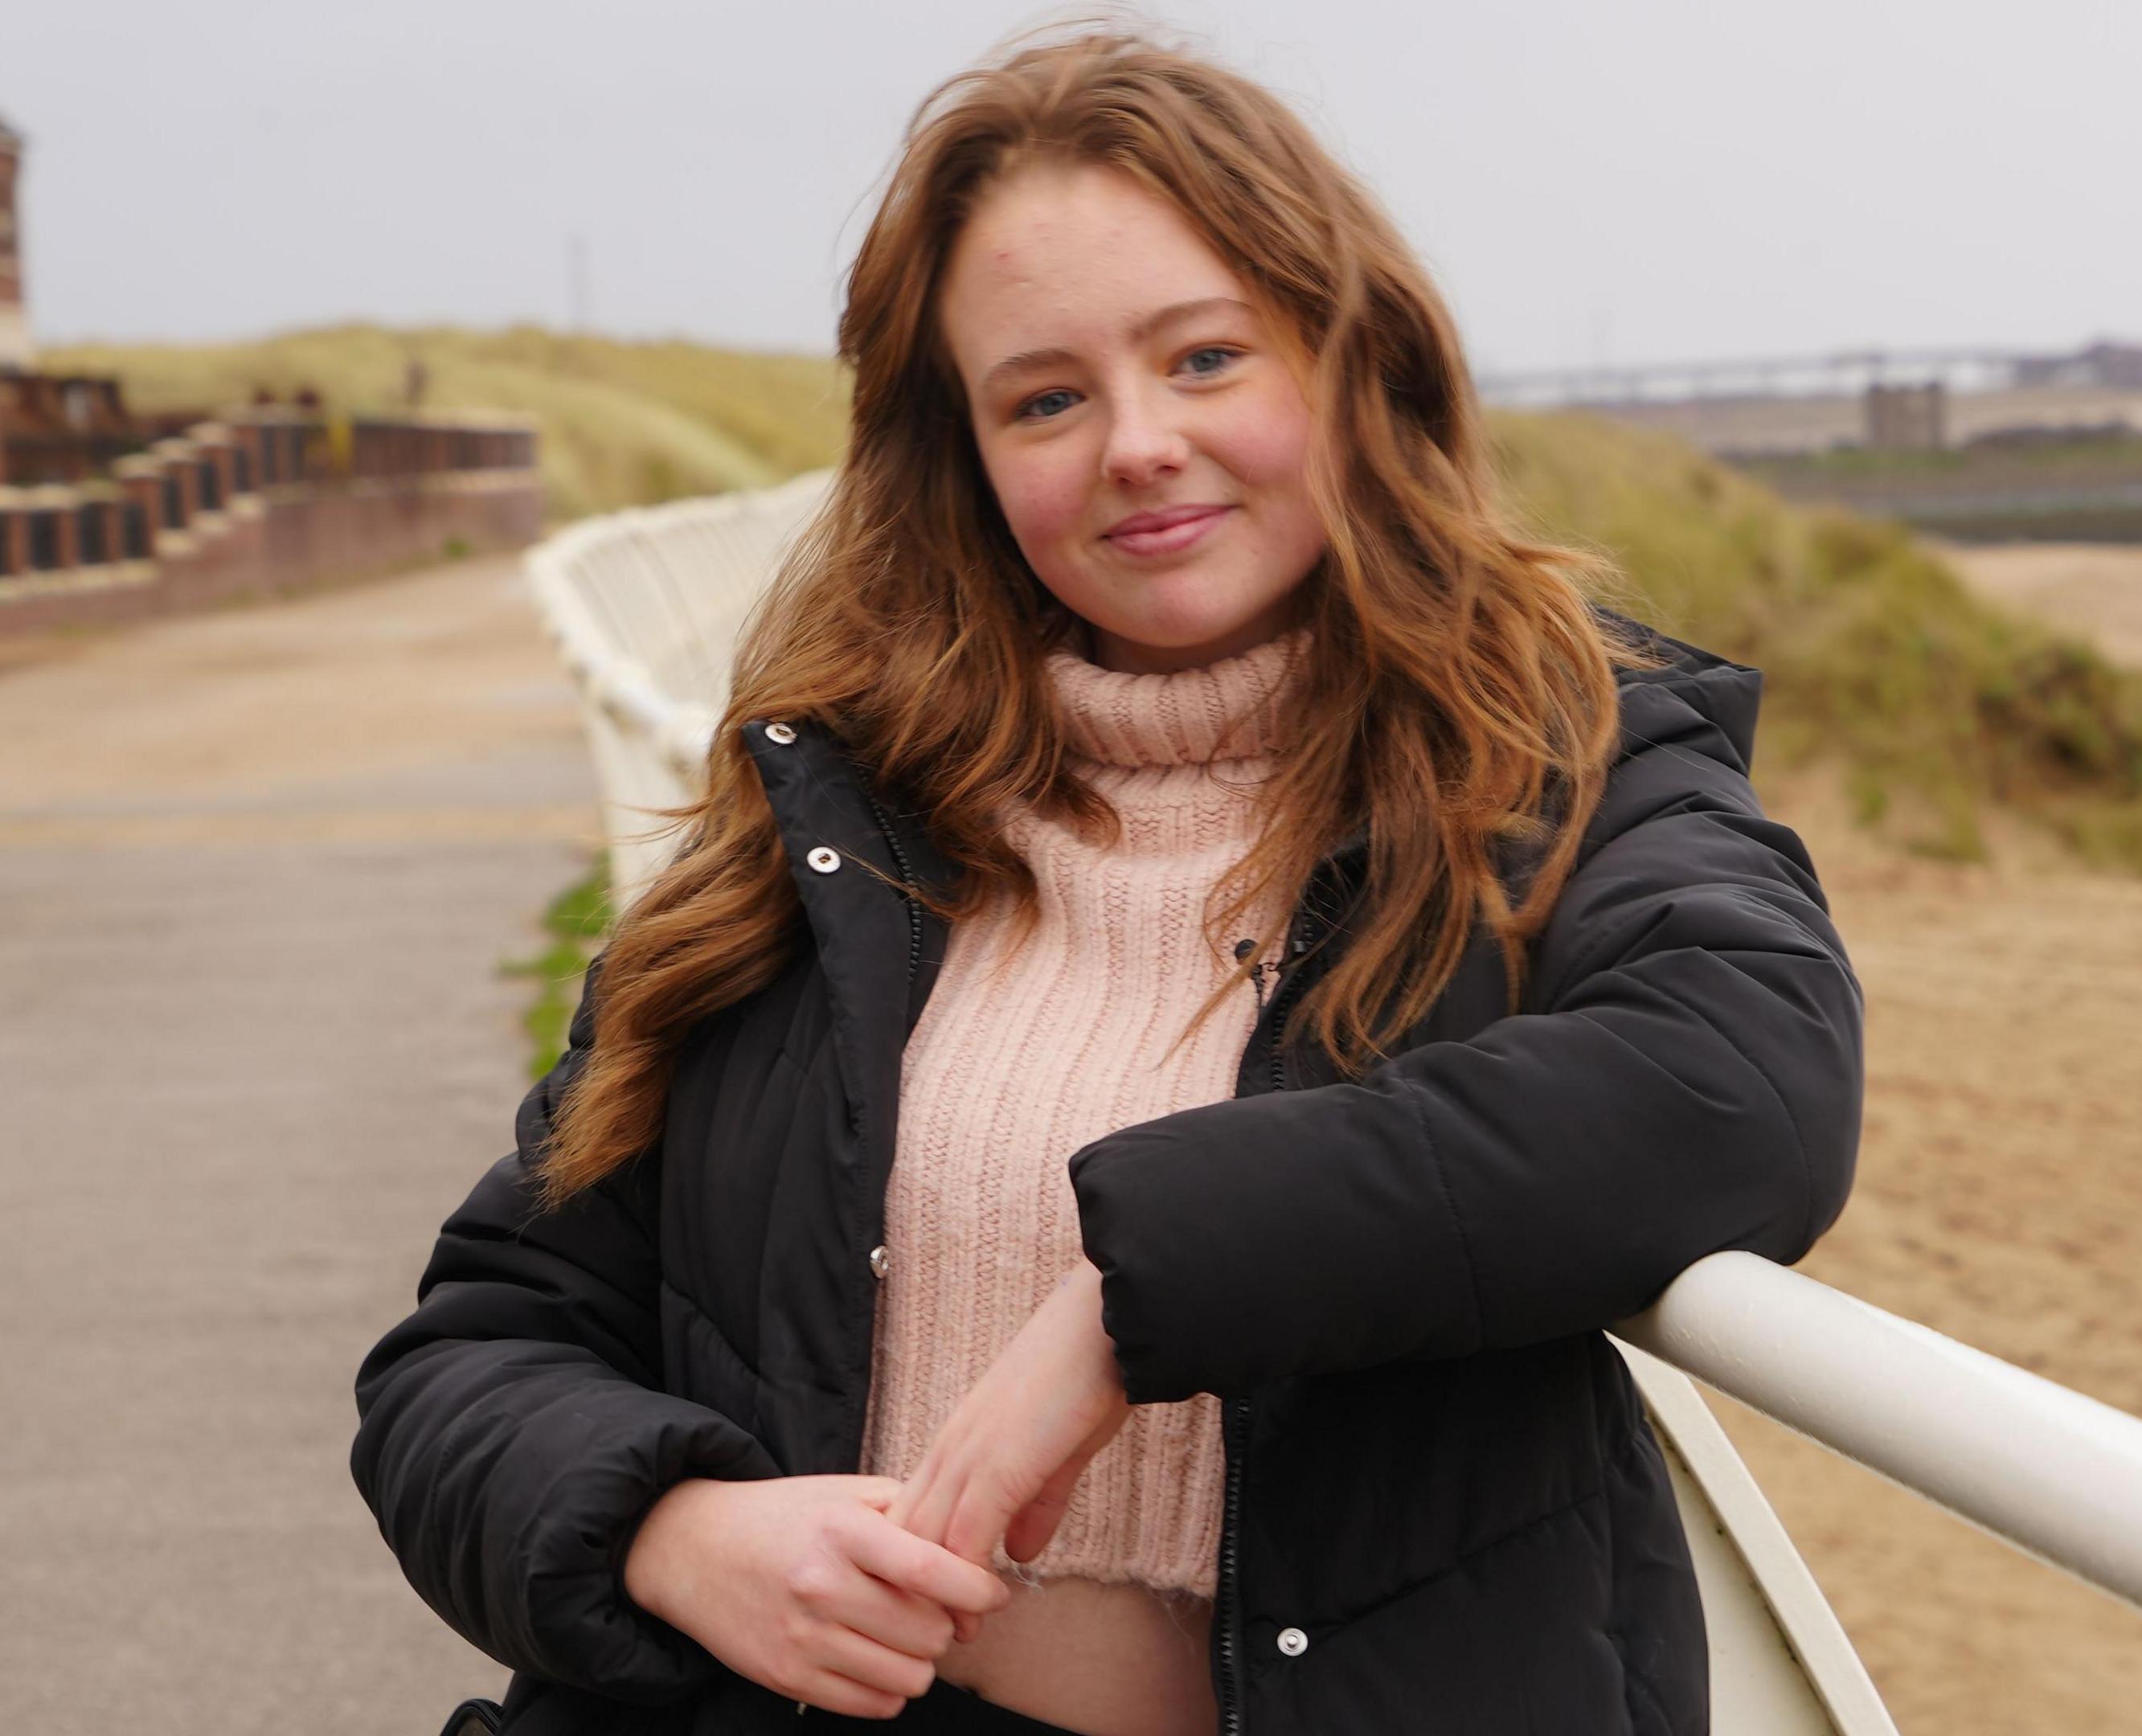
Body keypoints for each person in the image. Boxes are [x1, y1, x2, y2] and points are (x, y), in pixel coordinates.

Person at [352, 28, 1861, 1736]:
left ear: (1351, 364)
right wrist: (667, 1531)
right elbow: (467, 1358)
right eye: (1046, 397)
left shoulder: (1558, 770)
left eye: (1207, 357)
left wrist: (1137, 1295)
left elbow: (1746, 1085)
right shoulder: (825, 829)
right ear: (966, 456)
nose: (1137, 444)